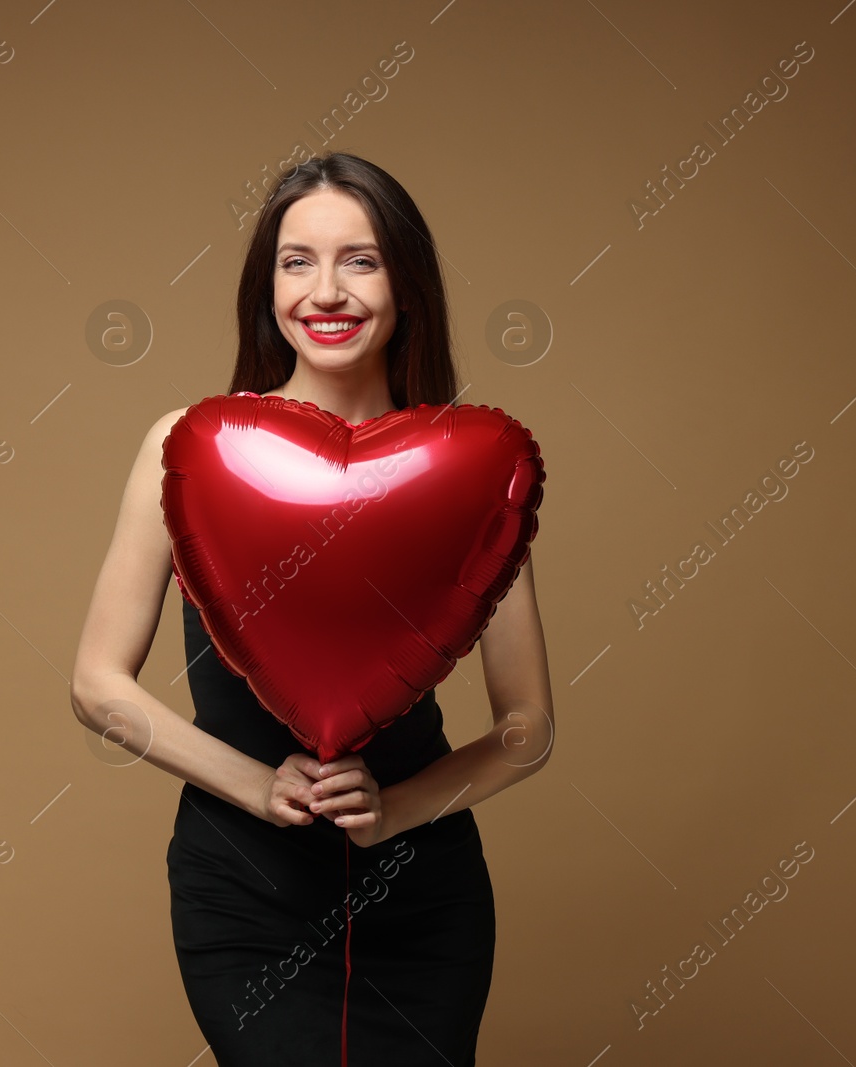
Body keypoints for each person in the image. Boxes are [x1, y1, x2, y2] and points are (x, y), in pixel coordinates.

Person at [70, 152, 554, 1066]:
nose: (326, 291)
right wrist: (259, 786)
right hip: (243, 887)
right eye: (298, 262)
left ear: (406, 283)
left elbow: (528, 727)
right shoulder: (190, 447)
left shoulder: (471, 469)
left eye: (360, 260)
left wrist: (398, 810)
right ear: (268, 287)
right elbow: (97, 684)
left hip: (421, 893)